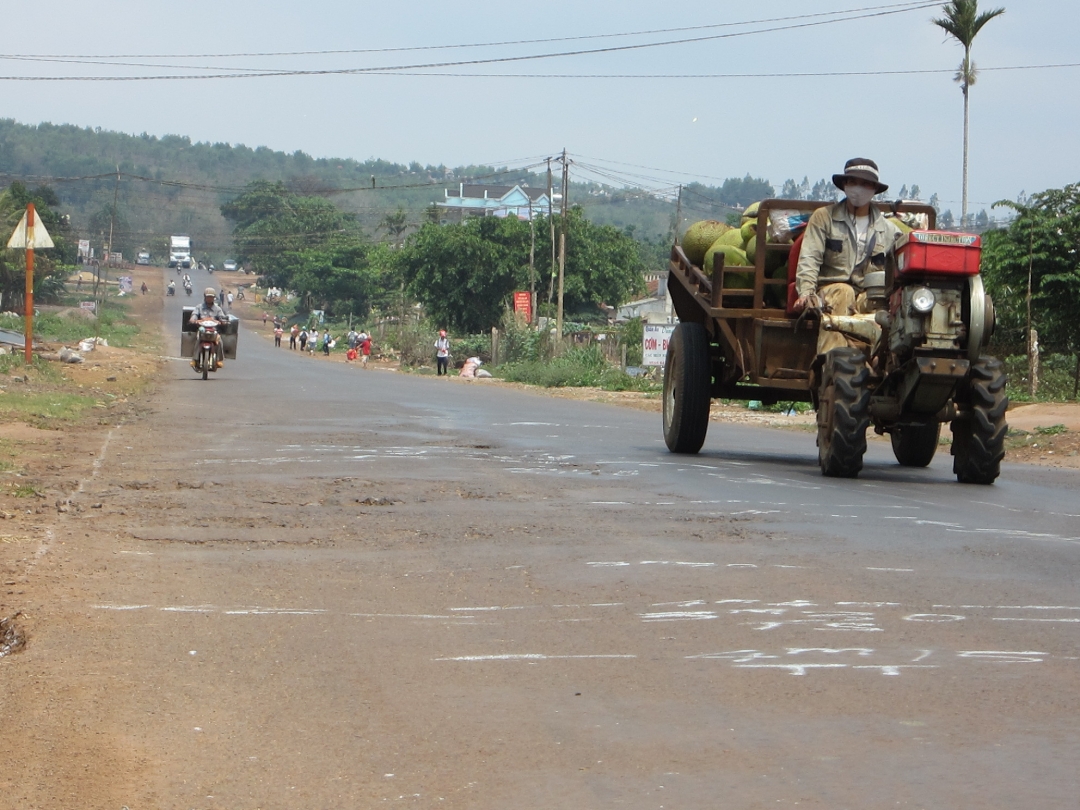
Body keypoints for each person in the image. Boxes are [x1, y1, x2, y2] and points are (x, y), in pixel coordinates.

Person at [794, 157, 901, 355]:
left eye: (866, 184)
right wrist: (806, 293)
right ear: (844, 185)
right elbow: (810, 257)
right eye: (853, 182)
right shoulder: (824, 217)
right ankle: (830, 362)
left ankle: (881, 362)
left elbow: (897, 273)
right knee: (844, 292)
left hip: (865, 295)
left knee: (885, 307)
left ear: (874, 189)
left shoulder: (888, 231)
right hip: (830, 292)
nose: (858, 188)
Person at [189, 288, 228, 367]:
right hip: (202, 330)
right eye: (208, 297)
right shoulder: (199, 307)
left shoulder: (218, 309)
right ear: (204, 297)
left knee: (219, 341)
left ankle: (219, 360)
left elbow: (222, 318)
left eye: (211, 297)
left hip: (214, 331)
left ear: (214, 298)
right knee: (197, 339)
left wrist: (222, 321)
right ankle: (194, 359)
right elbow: (194, 315)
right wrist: (194, 320)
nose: (209, 298)